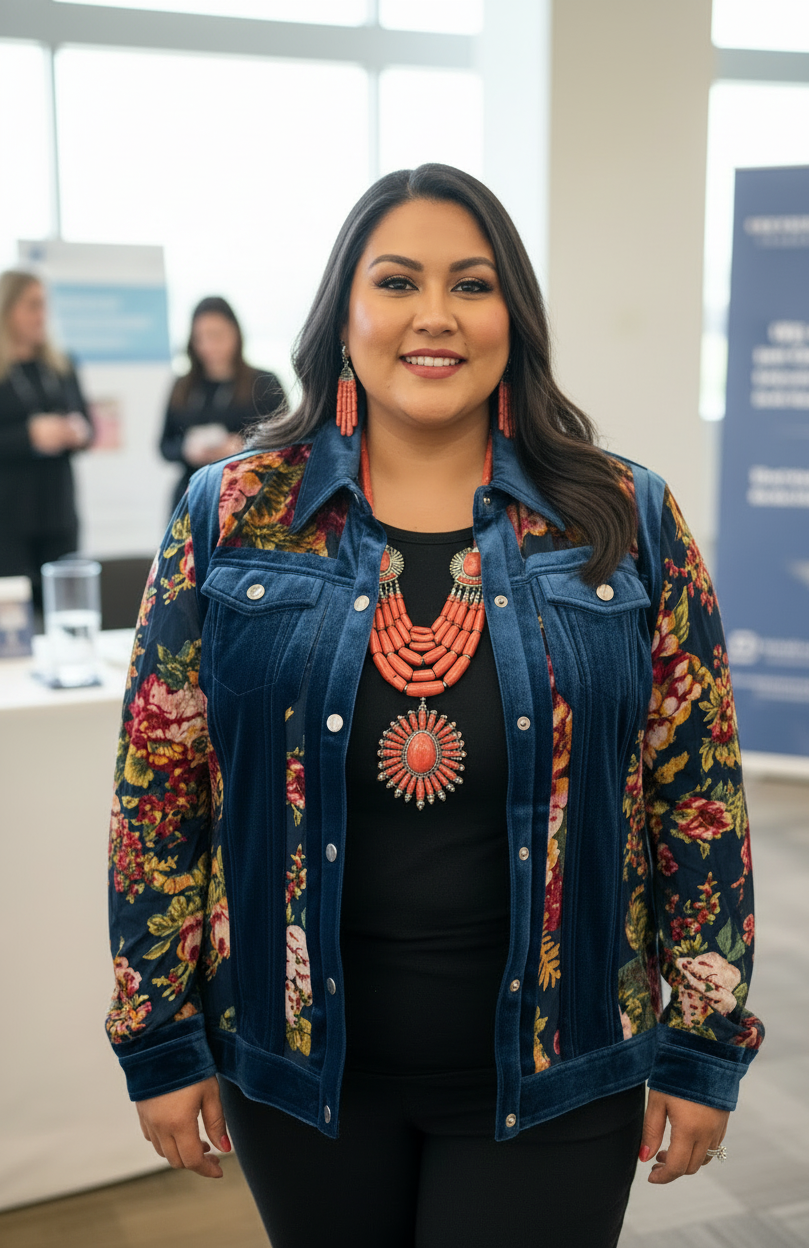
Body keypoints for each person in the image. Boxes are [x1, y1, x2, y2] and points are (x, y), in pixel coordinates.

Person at [106, 165, 763, 1248]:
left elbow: (699, 798)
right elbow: (157, 794)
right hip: (300, 1073)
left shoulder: (622, 516)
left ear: (514, 317)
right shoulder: (233, 513)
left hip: (559, 1075)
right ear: (343, 314)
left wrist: (703, 1043)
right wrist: (158, 1034)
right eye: (398, 281)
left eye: (472, 284)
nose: (434, 316)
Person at [0, 271, 92, 601]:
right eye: (32, 305)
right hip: (9, 518)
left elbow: (89, 428)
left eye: (44, 305)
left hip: (59, 513)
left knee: (66, 606)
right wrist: (29, 436)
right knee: (14, 621)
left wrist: (75, 433)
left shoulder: (62, 365)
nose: (42, 315)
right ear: (7, 309)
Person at [159, 295, 283, 510]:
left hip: (249, 499)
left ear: (235, 334)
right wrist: (187, 449)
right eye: (200, 337)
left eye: (216, 335)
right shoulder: (183, 386)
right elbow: (164, 445)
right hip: (193, 496)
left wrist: (243, 447)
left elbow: (287, 443)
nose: (208, 345)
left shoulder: (264, 383)